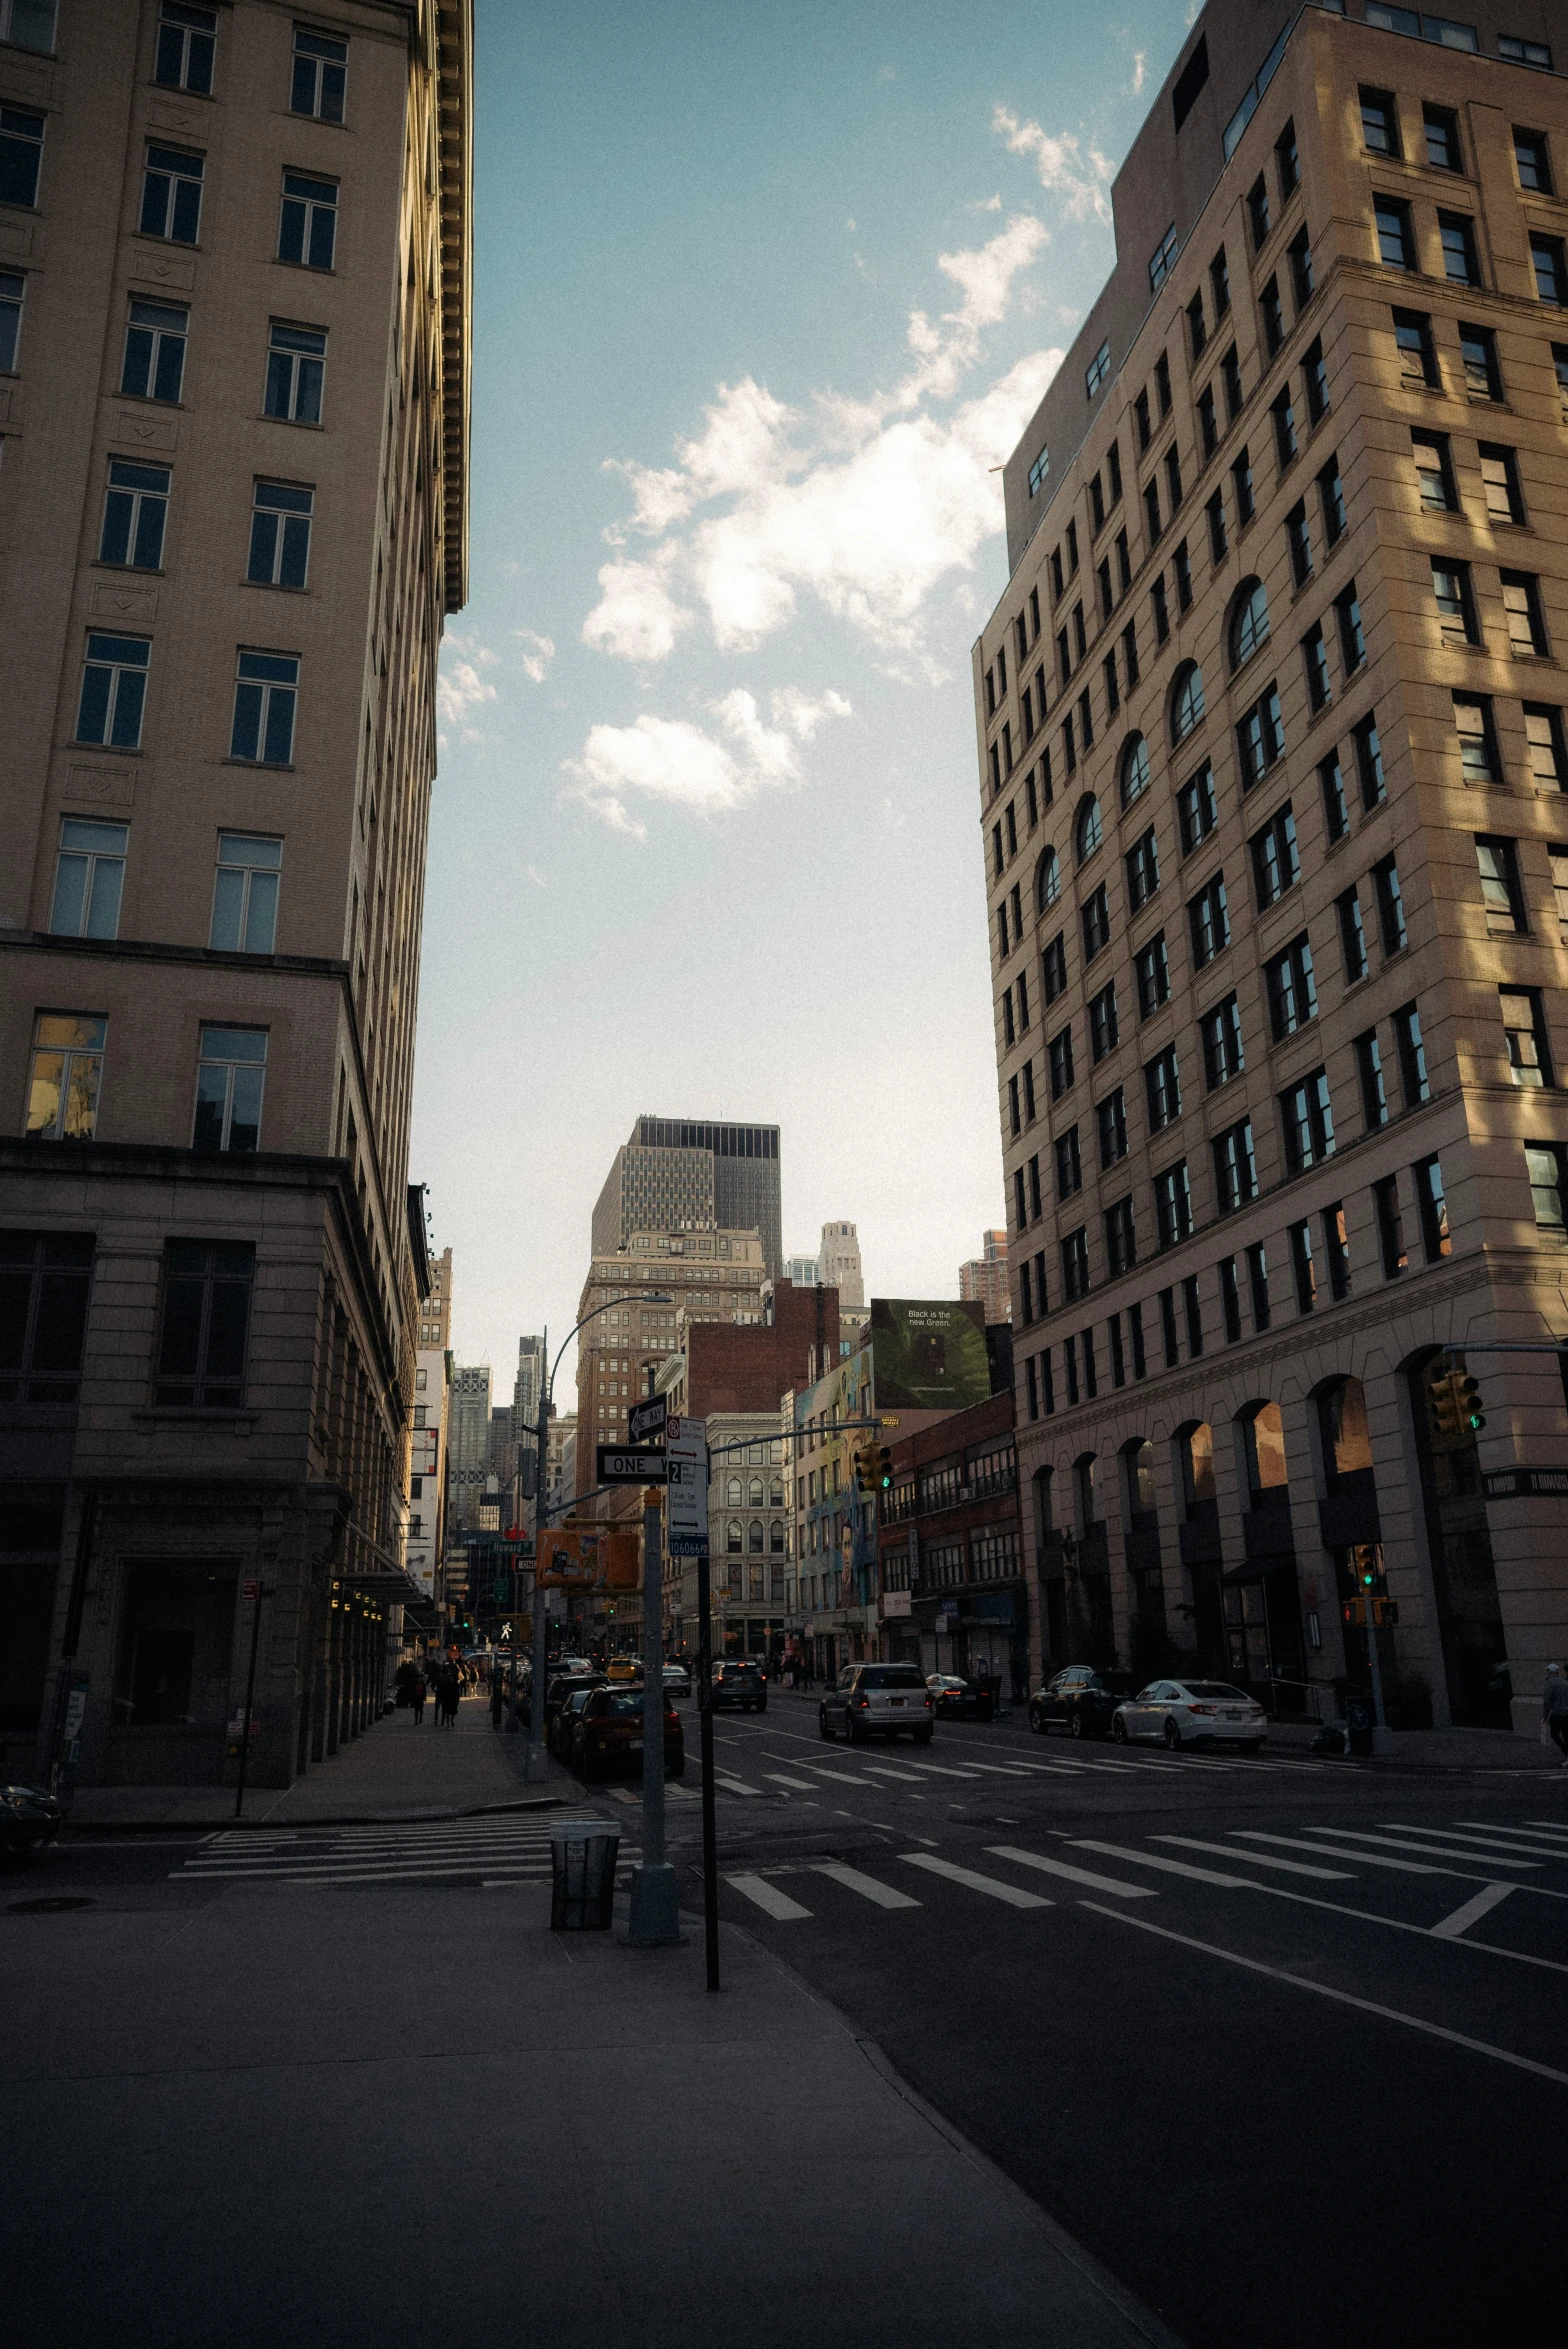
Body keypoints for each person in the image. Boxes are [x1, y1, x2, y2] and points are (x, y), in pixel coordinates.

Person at [1544, 1662, 1568, 1764]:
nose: (1547, 1672)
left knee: (1554, 1734)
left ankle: (1566, 1751)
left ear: (1551, 1671)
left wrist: (1545, 1716)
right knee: (1566, 1734)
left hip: (1557, 1712)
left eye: (1548, 1670)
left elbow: (1547, 1701)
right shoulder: (1564, 1682)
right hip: (1566, 1712)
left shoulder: (1550, 1683)